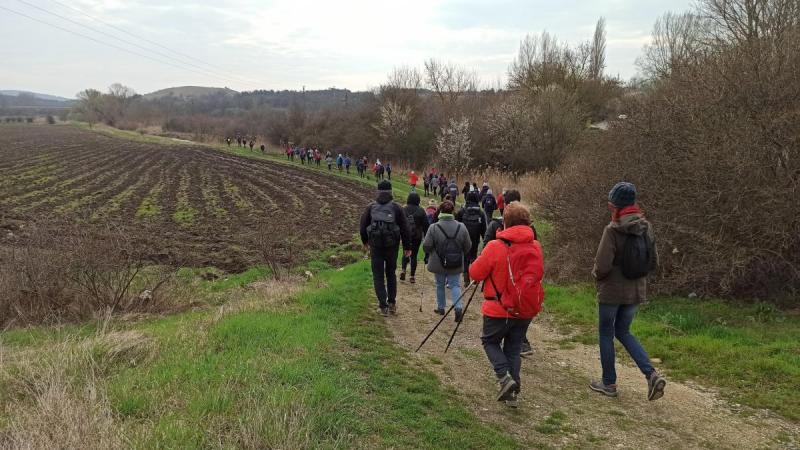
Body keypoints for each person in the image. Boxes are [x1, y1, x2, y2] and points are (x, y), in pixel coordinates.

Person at [590, 181, 666, 401]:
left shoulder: (612, 230)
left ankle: (609, 383)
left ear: (617, 206)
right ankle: (651, 374)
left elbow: (602, 265)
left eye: (611, 204)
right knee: (623, 332)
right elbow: (654, 262)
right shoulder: (646, 227)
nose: (609, 207)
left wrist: (596, 276)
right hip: (636, 291)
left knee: (606, 332)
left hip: (612, 292)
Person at [469, 202, 544, 408]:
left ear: (505, 222)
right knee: (513, 347)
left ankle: (504, 377)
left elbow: (475, 273)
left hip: (498, 308)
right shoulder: (536, 247)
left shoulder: (495, 246)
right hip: (525, 308)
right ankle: (513, 392)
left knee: (490, 341)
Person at [484, 189, 537, 357]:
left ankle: (514, 349)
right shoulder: (531, 231)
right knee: (519, 308)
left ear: (504, 205)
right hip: (525, 281)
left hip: (501, 277)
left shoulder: (495, 225)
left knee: (504, 314)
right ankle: (522, 342)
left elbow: (486, 246)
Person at [360, 180, 412, 316]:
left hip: (375, 246)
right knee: (390, 273)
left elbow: (362, 225)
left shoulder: (371, 207)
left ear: (378, 191)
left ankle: (383, 306)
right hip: (392, 246)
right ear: (391, 192)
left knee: (378, 275)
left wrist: (365, 242)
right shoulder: (396, 208)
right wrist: (407, 247)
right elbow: (405, 229)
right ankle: (392, 303)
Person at [422, 200, 472, 322]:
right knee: (455, 285)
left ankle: (441, 307)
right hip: (455, 263)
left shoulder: (433, 227)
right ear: (453, 211)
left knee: (439, 284)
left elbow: (426, 246)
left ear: (439, 212)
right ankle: (458, 307)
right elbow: (468, 246)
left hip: (438, 263)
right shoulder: (462, 227)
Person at [455, 191, 487, 285]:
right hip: (475, 237)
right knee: (473, 256)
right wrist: (484, 239)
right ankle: (474, 277)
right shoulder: (480, 212)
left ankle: (466, 278)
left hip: (464, 237)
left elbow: (457, 224)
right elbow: (484, 227)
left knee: (465, 257)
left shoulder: (462, 211)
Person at [400, 192, 429, 284]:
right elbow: (426, 225)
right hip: (417, 236)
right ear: (418, 200)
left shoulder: (403, 209)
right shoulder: (421, 211)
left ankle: (403, 270)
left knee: (405, 252)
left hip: (406, 236)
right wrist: (426, 236)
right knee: (414, 256)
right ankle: (412, 276)